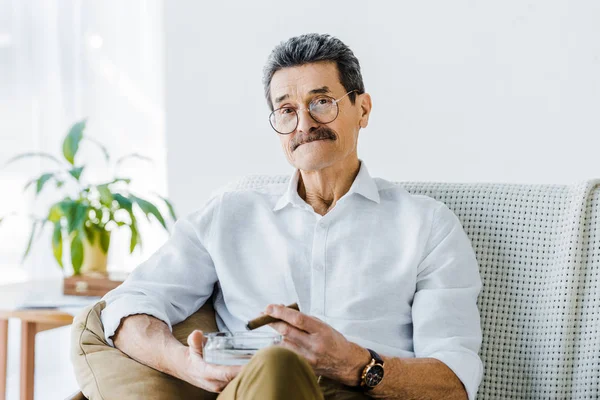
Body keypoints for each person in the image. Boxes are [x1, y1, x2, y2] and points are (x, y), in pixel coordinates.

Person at [102, 33, 483, 399]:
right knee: (278, 366)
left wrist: (353, 363)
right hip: (259, 389)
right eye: (286, 110)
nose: (304, 125)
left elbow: (453, 383)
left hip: (368, 393)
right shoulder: (228, 215)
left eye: (321, 102)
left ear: (362, 109)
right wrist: (187, 365)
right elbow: (129, 304)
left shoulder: (427, 224)